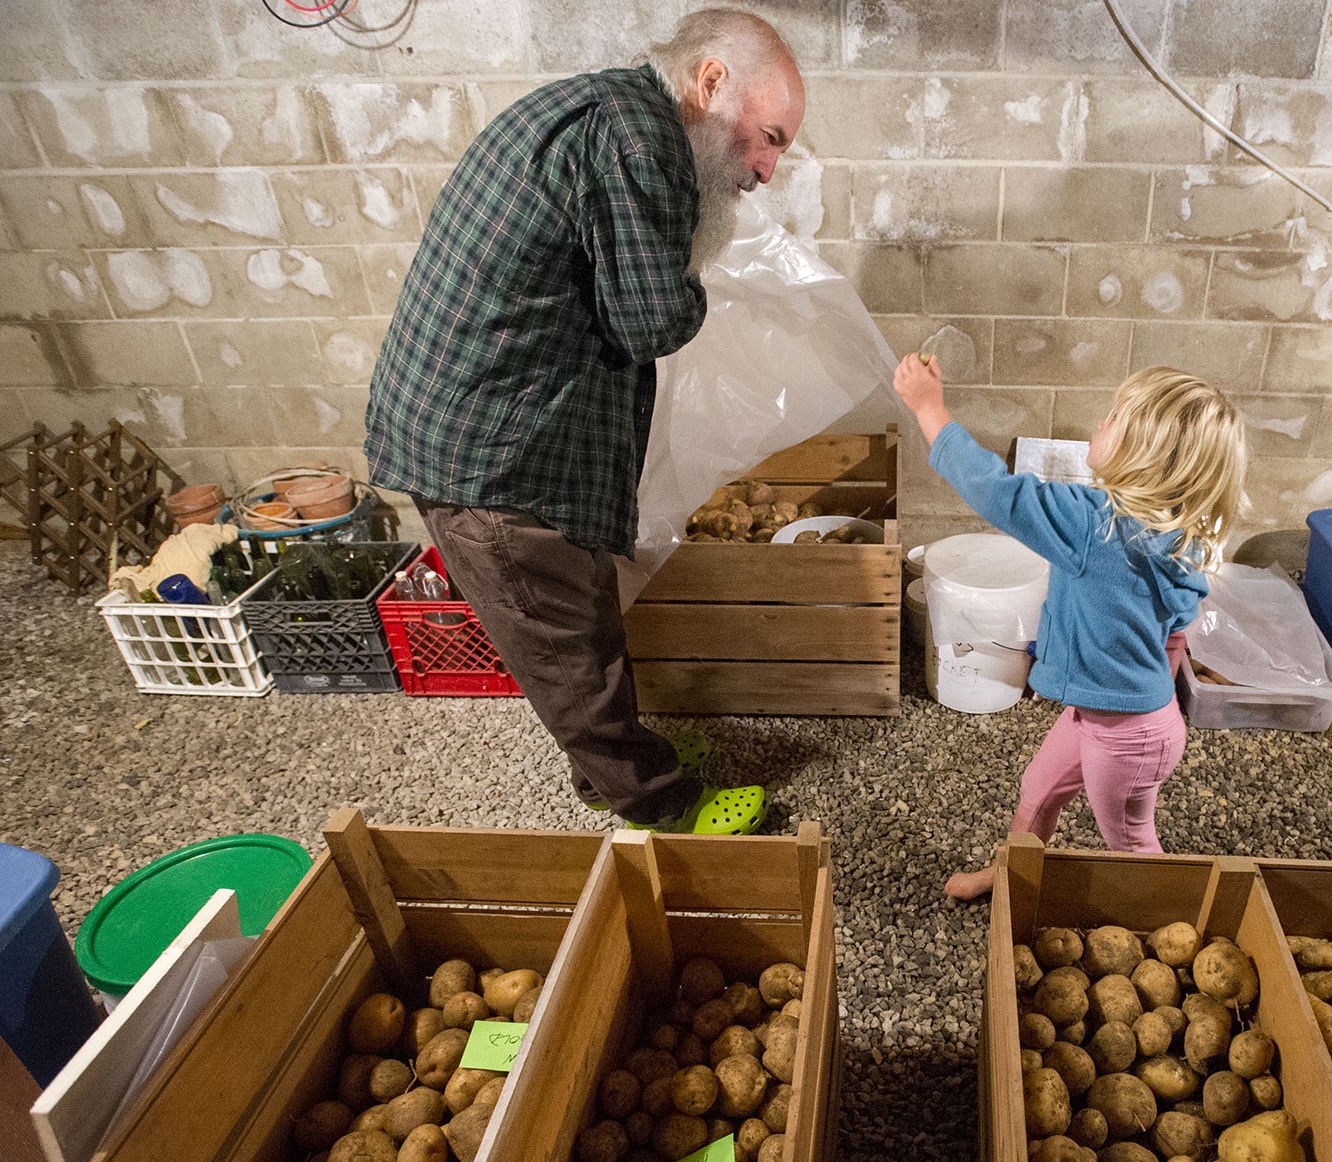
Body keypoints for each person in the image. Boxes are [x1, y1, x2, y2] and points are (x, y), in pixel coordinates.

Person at [364, 11, 806, 834]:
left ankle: (609, 766)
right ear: (710, 85)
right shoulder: (638, 143)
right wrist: (708, 290)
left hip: (508, 423)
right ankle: (657, 804)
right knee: (565, 646)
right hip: (492, 455)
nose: (767, 169)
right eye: (767, 137)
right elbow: (651, 319)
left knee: (578, 614)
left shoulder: (619, 116)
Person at [893, 356, 1247, 898]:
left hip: (1129, 736)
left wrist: (929, 407)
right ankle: (1010, 877)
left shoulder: (1093, 524)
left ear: (1143, 455)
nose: (1098, 425)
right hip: (1109, 716)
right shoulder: (1179, 537)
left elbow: (993, 488)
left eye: (1112, 420)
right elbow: (1174, 634)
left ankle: (1164, 920)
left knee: (1128, 843)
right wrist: (1078, 674)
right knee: (1037, 791)